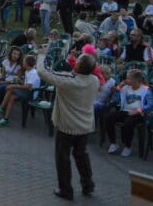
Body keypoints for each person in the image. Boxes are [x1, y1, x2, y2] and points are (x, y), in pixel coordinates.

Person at [37, 54, 100, 200]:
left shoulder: (69, 81)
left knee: (62, 157)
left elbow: (43, 72)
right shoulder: (94, 80)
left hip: (67, 126)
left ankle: (66, 190)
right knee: (81, 154)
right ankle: (88, 185)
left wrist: (42, 54)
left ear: (77, 65)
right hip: (84, 126)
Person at [106, 70, 153, 157]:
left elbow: (151, 104)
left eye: (129, 78)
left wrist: (138, 111)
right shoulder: (126, 87)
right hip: (126, 111)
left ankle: (128, 147)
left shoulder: (146, 90)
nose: (126, 80)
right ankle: (113, 143)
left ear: (136, 80)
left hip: (139, 113)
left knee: (128, 122)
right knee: (109, 117)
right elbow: (116, 99)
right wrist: (119, 88)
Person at [0, 54, 40, 127]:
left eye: (24, 61)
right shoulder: (28, 71)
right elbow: (26, 84)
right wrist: (19, 81)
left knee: (11, 88)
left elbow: (27, 87)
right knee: (12, 97)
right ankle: (5, 119)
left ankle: (1, 108)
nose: (22, 63)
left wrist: (13, 85)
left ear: (27, 63)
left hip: (31, 94)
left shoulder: (33, 73)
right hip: (27, 91)